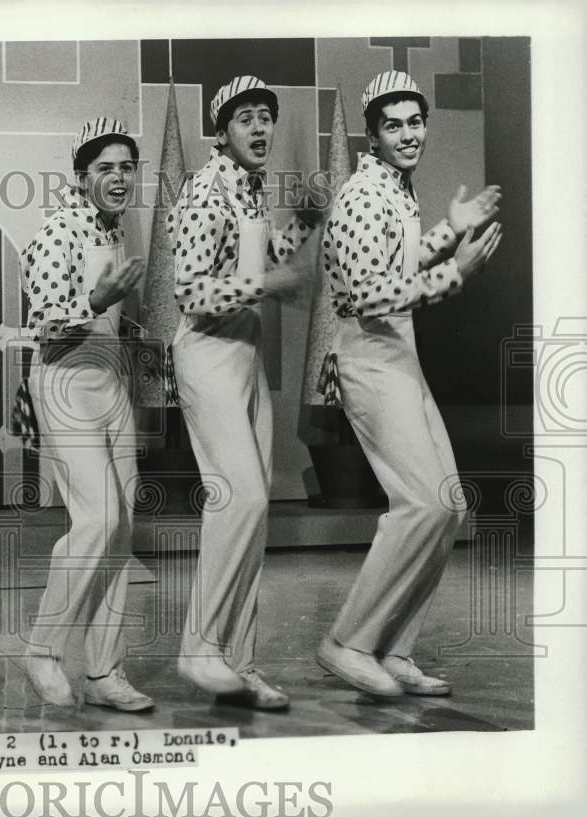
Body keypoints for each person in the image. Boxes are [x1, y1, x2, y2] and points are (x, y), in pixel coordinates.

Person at [316, 71, 502, 697]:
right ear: (372, 134)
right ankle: (345, 642)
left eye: (415, 122)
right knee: (421, 503)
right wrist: (456, 271)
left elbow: (397, 259)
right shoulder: (363, 195)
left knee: (447, 505)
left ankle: (393, 647)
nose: (408, 134)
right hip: (369, 358)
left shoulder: (394, 190)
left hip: (398, 354)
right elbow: (370, 297)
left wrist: (449, 230)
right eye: (392, 125)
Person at [166, 75, 320, 709]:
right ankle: (199, 647)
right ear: (221, 130)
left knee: (254, 515)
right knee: (242, 500)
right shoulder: (205, 191)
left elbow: (256, 261)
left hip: (245, 357)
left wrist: (301, 227)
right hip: (206, 355)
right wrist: (268, 282)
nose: (260, 128)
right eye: (245, 118)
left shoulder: (251, 190)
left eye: (266, 117)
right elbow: (191, 291)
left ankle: (239, 662)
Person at [19, 117, 152, 712]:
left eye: (127, 166)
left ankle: (104, 672)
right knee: (96, 520)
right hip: (65, 380)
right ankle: (43, 648)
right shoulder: (57, 231)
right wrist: (97, 300)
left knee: (121, 530)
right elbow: (44, 323)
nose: (119, 177)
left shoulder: (114, 230)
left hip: (110, 381)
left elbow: (110, 319)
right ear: (81, 175)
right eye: (105, 167)